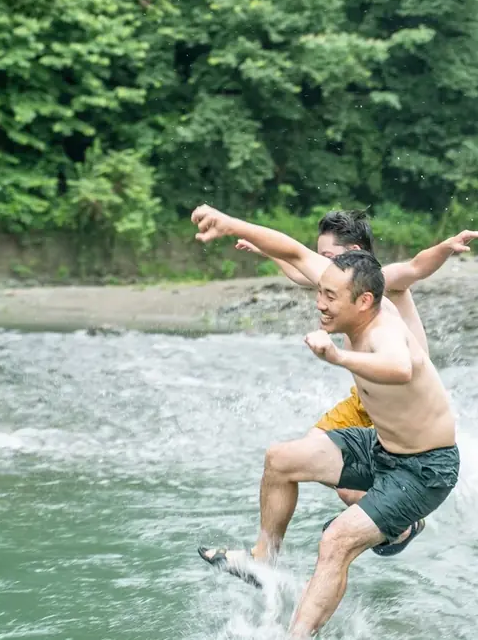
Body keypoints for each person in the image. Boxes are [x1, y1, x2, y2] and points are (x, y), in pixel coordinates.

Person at [191, 205, 461, 639]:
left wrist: (337, 356)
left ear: (364, 301)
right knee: (281, 460)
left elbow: (401, 367)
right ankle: (264, 557)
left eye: (329, 297)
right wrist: (230, 224)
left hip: (425, 470)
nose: (319, 303)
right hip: (382, 447)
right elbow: (295, 253)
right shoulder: (348, 283)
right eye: (321, 293)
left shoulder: (383, 330)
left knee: (335, 540)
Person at [236, 210, 478, 511]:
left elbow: (417, 266)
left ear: (353, 252)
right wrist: (266, 249)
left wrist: (445, 248)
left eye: (329, 256)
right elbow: (297, 269)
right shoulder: (338, 283)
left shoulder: (382, 280)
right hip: (365, 398)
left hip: (400, 396)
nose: (324, 266)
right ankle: (386, 513)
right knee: (304, 454)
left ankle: (397, 520)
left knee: (348, 489)